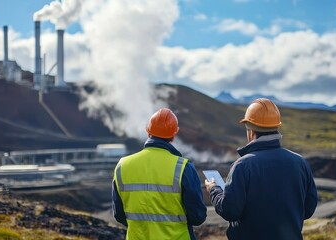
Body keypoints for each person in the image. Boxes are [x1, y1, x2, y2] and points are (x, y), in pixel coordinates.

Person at [205, 98, 318, 240]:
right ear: (276, 127)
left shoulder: (243, 165)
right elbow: (308, 209)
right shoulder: (300, 162)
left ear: (250, 131)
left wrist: (214, 189)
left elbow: (230, 211)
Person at [112, 108, 207, 240]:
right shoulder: (183, 168)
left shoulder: (122, 166)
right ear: (173, 135)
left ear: (148, 132)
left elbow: (119, 215)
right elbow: (197, 217)